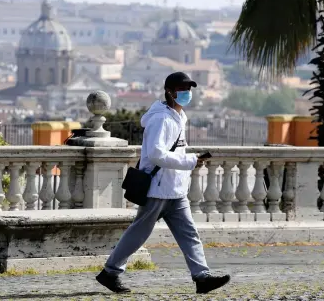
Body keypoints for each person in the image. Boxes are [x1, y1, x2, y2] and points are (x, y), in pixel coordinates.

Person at [96, 72, 230, 294]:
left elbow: (174, 150)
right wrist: (190, 160)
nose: (187, 93)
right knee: (138, 234)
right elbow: (157, 154)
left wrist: (191, 160)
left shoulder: (178, 116)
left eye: (189, 89)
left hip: (175, 190)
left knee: (189, 234)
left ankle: (202, 277)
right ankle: (110, 272)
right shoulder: (161, 119)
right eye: (182, 89)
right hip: (158, 189)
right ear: (169, 91)